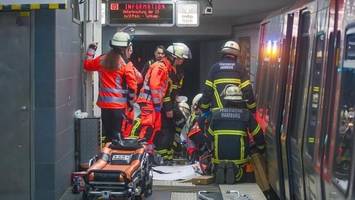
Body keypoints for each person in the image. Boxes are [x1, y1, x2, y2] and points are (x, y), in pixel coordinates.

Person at [132, 43, 191, 153]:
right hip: (149, 102)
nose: (181, 61)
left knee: (155, 128)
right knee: (148, 128)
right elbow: (154, 87)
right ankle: (140, 154)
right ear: (173, 57)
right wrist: (157, 104)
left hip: (153, 104)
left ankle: (148, 152)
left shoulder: (166, 68)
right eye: (179, 59)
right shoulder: (160, 67)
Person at [83, 31, 137, 142]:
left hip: (104, 106)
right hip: (119, 108)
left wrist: (91, 50)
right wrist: (130, 104)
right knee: (117, 136)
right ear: (124, 48)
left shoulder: (102, 59)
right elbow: (133, 86)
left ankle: (105, 157)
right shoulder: (125, 64)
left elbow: (87, 65)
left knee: (107, 136)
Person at [207, 85, 265, 184]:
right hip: (240, 160)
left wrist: (211, 153)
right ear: (240, 101)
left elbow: (209, 137)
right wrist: (261, 149)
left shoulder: (216, 115)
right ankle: (237, 172)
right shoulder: (246, 114)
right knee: (242, 173)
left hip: (218, 159)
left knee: (219, 162)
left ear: (225, 100)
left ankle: (220, 169)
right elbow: (258, 135)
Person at [199, 41, 256, 114]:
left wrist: (204, 109)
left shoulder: (214, 68)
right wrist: (252, 110)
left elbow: (208, 91)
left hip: (217, 114)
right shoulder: (241, 69)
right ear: (236, 55)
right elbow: (247, 91)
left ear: (223, 53)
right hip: (237, 114)